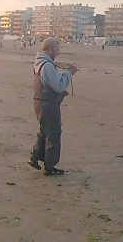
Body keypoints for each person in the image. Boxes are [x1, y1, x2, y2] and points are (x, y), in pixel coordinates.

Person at [28, 37, 78, 176]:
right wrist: (69, 73)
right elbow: (58, 86)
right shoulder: (48, 65)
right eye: (56, 49)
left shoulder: (39, 63)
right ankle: (50, 166)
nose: (58, 52)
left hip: (40, 102)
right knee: (53, 133)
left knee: (45, 131)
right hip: (47, 104)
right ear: (50, 49)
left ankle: (35, 157)